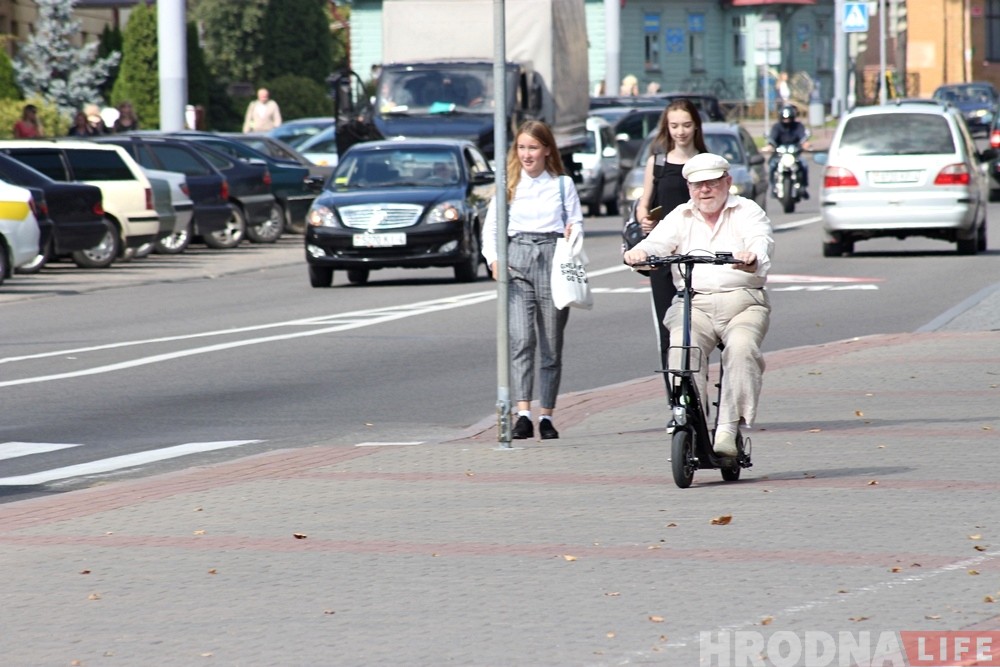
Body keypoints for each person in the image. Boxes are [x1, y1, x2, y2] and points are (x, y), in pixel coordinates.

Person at [623, 153, 773, 458]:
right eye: (697, 184)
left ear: (727, 182)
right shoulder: (681, 215)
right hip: (695, 303)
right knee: (681, 349)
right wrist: (639, 252)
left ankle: (728, 429)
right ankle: (691, 417)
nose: (704, 190)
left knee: (742, 349)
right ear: (689, 188)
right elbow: (656, 242)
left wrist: (752, 257)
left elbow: (760, 240)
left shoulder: (747, 210)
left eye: (711, 183)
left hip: (743, 302)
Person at [481, 120, 584, 441]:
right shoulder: (509, 184)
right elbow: (491, 228)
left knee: (551, 343)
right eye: (522, 147)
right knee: (521, 339)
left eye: (533, 148)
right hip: (518, 258)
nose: (527, 154)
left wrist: (573, 232)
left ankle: (547, 416)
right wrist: (494, 259)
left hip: (553, 259)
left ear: (547, 150)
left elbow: (576, 222)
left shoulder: (562, 184)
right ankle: (523, 414)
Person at [633, 98, 709, 383]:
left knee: (700, 331)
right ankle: (676, 398)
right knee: (669, 332)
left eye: (686, 125)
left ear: (696, 126)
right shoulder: (658, 162)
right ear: (667, 127)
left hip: (699, 256)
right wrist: (645, 219)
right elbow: (644, 204)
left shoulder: (705, 162)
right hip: (664, 259)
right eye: (674, 125)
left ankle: (699, 392)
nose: (680, 131)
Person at [767, 104, 811, 198]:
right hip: (780, 154)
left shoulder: (798, 126)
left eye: (788, 119)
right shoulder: (776, 127)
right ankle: (773, 187)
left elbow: (802, 137)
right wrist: (770, 146)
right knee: (772, 165)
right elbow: (772, 138)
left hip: (794, 154)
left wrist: (805, 144)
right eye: (784, 119)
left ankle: (803, 187)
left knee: (804, 164)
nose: (786, 121)